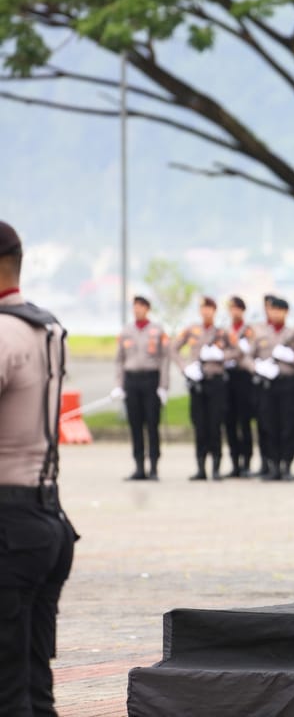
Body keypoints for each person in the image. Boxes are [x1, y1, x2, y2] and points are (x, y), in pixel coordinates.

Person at [0, 221, 77, 716]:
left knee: (8, 693)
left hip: (9, 524)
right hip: (46, 518)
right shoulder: (45, 327)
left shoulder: (4, 331)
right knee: (32, 686)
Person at [170, 296, 235, 481]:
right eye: (203, 308)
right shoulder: (191, 330)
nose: (206, 312)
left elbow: (238, 351)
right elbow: (173, 349)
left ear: (214, 311)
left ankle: (216, 468)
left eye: (209, 308)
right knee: (200, 425)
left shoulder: (222, 332)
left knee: (215, 425)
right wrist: (185, 368)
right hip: (198, 383)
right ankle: (201, 468)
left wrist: (221, 355)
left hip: (216, 382)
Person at [246, 296, 294, 480]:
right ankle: (273, 465)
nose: (275, 314)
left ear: (286, 312)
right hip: (268, 384)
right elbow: (247, 357)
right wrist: (257, 367)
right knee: (268, 424)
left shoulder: (293, 333)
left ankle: (286, 464)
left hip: (288, 383)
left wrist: (293, 358)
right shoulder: (260, 333)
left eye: (279, 310)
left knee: (288, 424)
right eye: (272, 310)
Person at [114, 295, 170, 481]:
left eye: (140, 306)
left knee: (152, 425)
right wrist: (119, 385)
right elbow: (119, 359)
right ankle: (139, 467)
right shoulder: (126, 331)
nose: (137, 310)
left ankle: (153, 467)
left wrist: (163, 386)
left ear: (147, 309)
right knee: (135, 425)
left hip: (151, 380)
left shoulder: (157, 330)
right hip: (132, 380)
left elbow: (164, 359)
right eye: (134, 307)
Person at [224, 296, 257, 477]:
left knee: (244, 421)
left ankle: (246, 462)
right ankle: (235, 462)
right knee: (230, 421)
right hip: (229, 377)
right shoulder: (225, 330)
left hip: (244, 378)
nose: (234, 312)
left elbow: (250, 351)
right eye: (231, 309)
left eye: (237, 308)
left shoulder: (248, 330)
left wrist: (235, 352)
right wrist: (234, 353)